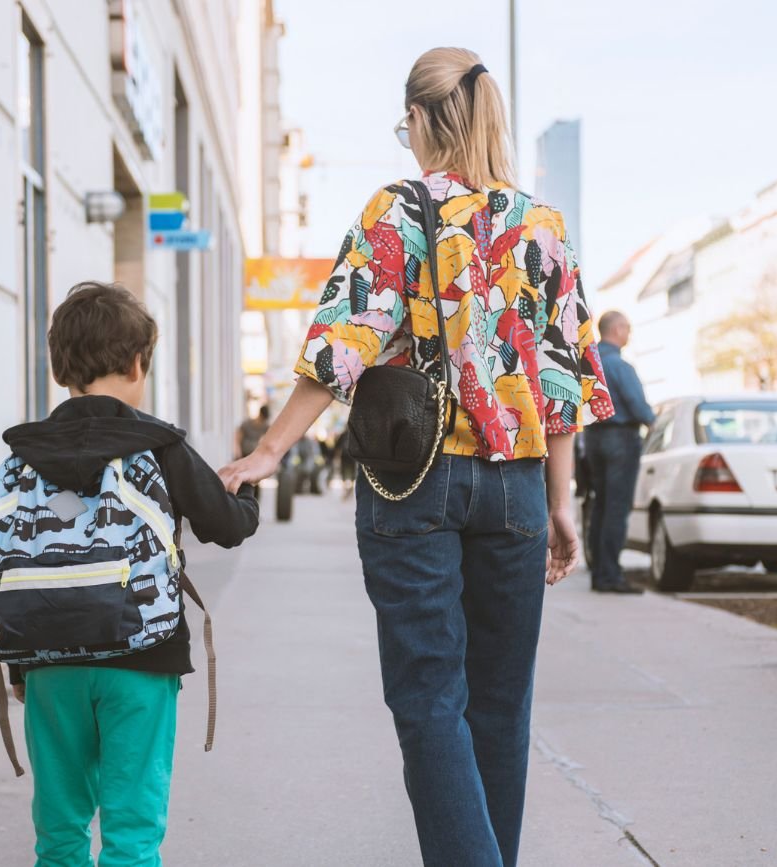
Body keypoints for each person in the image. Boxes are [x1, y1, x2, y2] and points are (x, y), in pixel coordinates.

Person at [219, 48, 613, 867]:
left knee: (431, 699)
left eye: (408, 126)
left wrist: (267, 450)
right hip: (517, 490)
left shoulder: (395, 211)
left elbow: (341, 345)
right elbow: (565, 381)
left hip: (413, 484)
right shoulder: (542, 226)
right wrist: (564, 504)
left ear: (427, 120)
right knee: (502, 708)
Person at [1, 282, 259, 867]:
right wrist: (247, 491)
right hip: (142, 659)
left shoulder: (22, 456)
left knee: (60, 831)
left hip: (48, 664)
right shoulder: (157, 445)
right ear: (139, 362)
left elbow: (13, 557)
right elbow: (227, 526)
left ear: (60, 365)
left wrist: (19, 663)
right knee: (133, 832)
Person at [586, 310, 656, 594]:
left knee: (601, 504)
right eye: (627, 328)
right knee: (616, 507)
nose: (629, 333)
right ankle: (609, 575)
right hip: (621, 439)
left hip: (593, 438)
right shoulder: (620, 366)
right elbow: (637, 405)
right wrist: (652, 422)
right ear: (616, 330)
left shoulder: (589, 362)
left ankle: (598, 570)